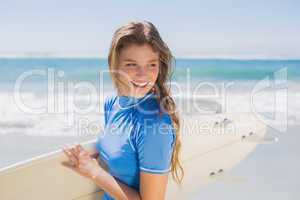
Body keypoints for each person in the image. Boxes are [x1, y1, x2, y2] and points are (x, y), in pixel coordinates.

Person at [62, 21, 184, 200]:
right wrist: (87, 156)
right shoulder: (113, 104)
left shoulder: (155, 124)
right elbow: (118, 152)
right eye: (131, 64)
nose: (143, 74)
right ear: (115, 65)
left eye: (151, 64)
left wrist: (94, 172)